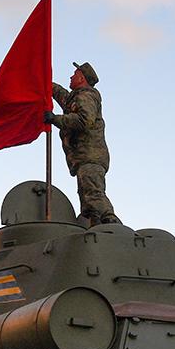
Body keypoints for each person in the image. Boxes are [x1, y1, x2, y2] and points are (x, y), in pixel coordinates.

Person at [45, 62, 121, 226]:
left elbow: (84, 121)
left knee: (92, 193)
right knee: (87, 199)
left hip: (90, 156)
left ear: (81, 78)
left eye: (75, 74)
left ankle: (110, 220)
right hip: (84, 157)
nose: (71, 77)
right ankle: (95, 224)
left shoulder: (86, 96)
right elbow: (60, 94)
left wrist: (55, 119)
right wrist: (45, 83)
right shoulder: (76, 98)